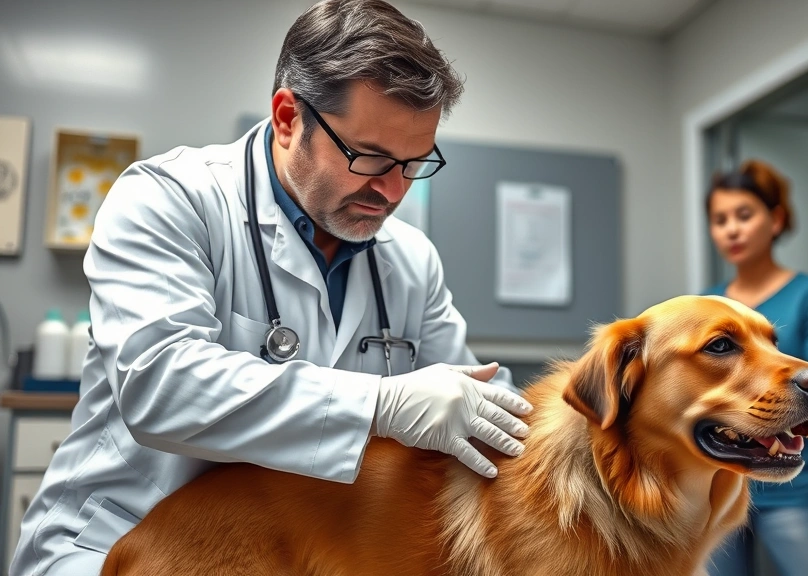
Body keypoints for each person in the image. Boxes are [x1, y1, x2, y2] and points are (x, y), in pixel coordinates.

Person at [10, 1, 533, 574]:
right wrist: (380, 406)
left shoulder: (410, 262)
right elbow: (161, 385)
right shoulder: (168, 200)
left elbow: (475, 410)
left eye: (414, 163)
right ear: (288, 118)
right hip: (122, 538)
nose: (393, 192)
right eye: (371, 157)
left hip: (298, 552)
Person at [703, 160, 808, 576]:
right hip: (719, 489)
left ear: (776, 219)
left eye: (744, 215)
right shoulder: (707, 306)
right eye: (720, 220)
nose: (731, 229)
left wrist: (755, 415)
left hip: (793, 491)